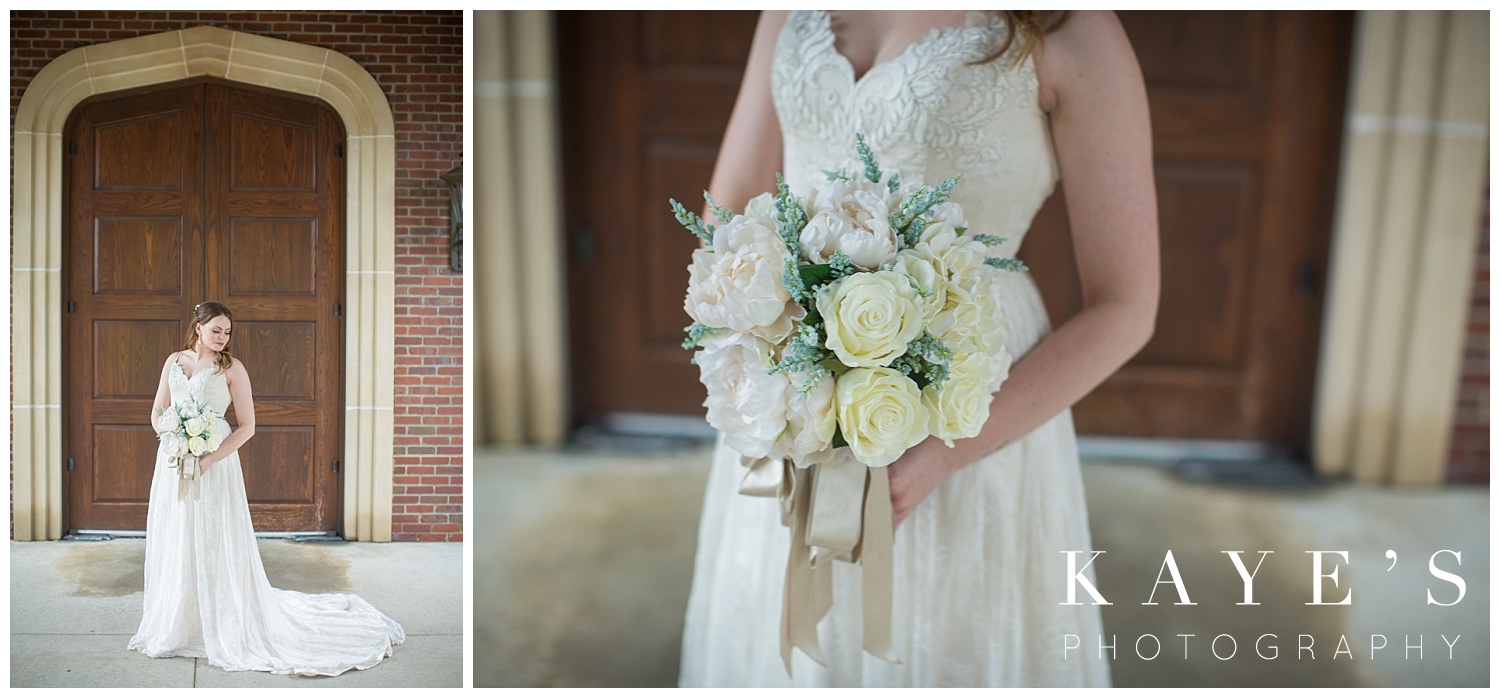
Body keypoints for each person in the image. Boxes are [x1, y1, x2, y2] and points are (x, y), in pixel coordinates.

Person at [679, 10, 1158, 686]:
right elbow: (729, 204)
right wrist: (764, 354)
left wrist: (939, 455)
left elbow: (1127, 305)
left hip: (972, 402)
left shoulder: (1067, 26)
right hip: (789, 392)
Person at [128, 302, 405, 676]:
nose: (222, 338)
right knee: (176, 534)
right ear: (198, 328)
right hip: (174, 462)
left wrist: (210, 458)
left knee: (213, 538)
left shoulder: (232, 369)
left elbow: (247, 426)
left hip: (214, 463)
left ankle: (222, 619)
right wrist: (171, 435)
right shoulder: (173, 362)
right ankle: (179, 620)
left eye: (227, 332)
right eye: (216, 330)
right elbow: (158, 409)